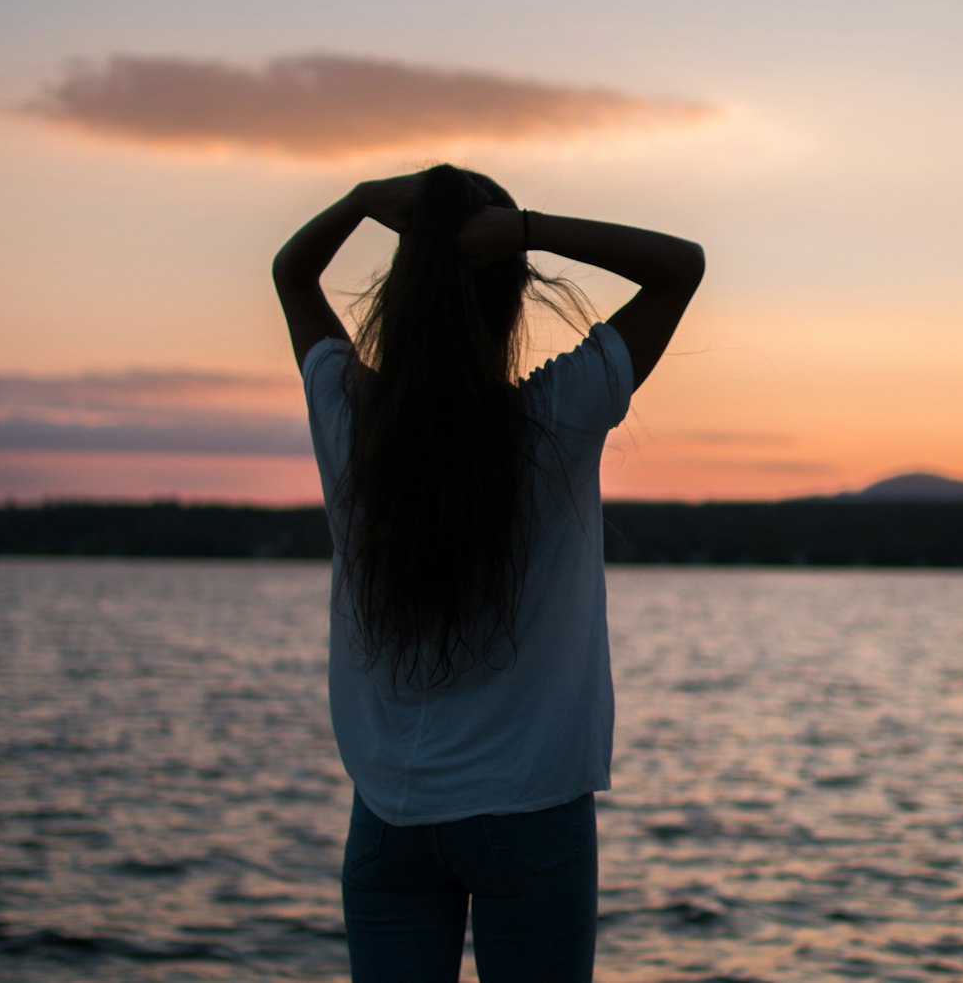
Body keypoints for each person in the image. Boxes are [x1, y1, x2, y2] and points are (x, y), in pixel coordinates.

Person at [273, 164, 704, 983]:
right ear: (510, 294)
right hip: (530, 814)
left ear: (400, 292)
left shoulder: (350, 419)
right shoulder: (554, 416)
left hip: (390, 822)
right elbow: (679, 265)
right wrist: (529, 228)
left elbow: (292, 273)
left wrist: (363, 202)